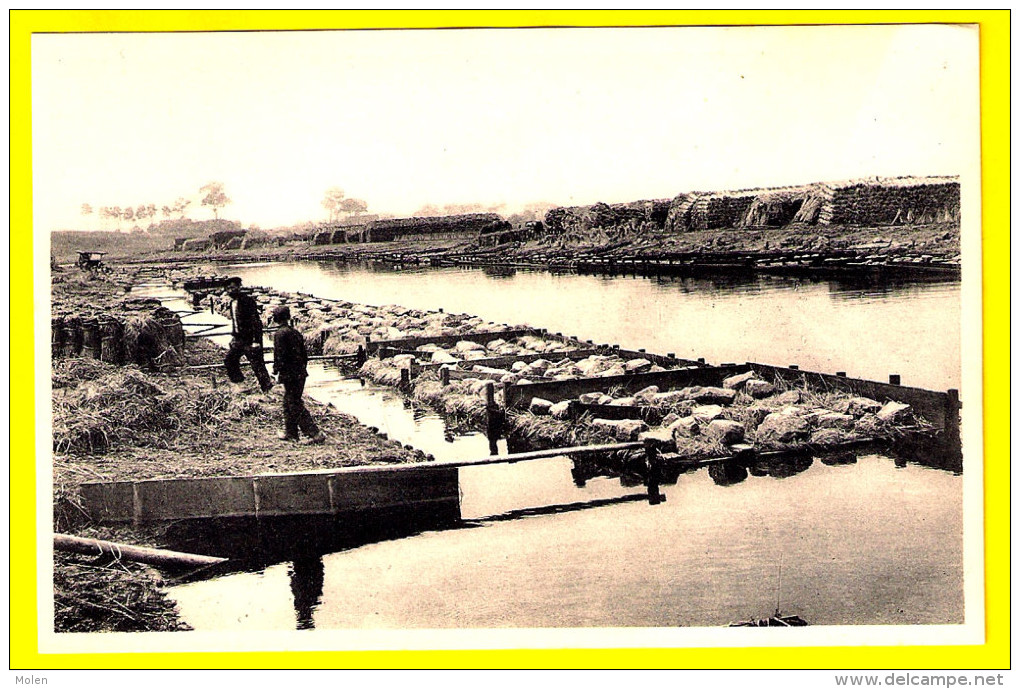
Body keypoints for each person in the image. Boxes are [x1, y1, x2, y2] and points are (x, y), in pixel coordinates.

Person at [271, 305, 326, 444]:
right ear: (288, 318)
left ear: (275, 319)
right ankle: (291, 433)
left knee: (294, 403)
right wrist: (301, 369)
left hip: (289, 374)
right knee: (288, 402)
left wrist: (276, 370)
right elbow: (304, 354)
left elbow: (280, 356)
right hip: (300, 373)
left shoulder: (279, 334)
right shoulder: (295, 333)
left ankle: (314, 433)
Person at [223, 278, 273, 393]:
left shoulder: (247, 301)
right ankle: (241, 384)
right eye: (227, 289)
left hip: (250, 340)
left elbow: (256, 322)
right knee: (230, 360)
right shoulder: (231, 303)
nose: (230, 291)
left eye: (232, 287)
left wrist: (256, 341)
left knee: (257, 365)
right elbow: (236, 323)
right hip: (239, 339)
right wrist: (234, 337)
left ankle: (268, 390)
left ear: (239, 287)